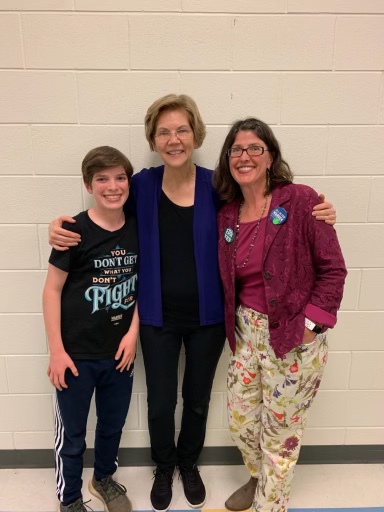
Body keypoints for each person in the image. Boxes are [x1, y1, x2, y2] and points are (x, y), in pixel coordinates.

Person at [48, 95, 336, 512]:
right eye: (164, 131)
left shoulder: (217, 186)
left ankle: (189, 463)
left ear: (195, 135)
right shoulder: (142, 185)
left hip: (208, 318)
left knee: (197, 398)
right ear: (153, 139)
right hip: (156, 318)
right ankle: (164, 467)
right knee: (161, 401)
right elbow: (103, 210)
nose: (174, 138)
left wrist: (320, 211)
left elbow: (266, 207)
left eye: (181, 129)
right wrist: (60, 226)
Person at [214, 118, 347, 512]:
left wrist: (311, 326)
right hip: (246, 335)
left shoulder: (302, 200)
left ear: (270, 156)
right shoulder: (227, 214)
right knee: (241, 423)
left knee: (280, 436)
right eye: (236, 149)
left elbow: (333, 270)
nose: (245, 156)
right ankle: (258, 480)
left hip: (293, 335)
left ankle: (270, 505)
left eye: (255, 148)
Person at [43, 146, 139, 512]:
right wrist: (57, 350)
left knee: (112, 426)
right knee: (73, 436)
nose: (112, 186)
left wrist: (133, 333)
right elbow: (52, 290)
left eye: (119, 177)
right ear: (88, 185)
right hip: (76, 355)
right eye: (102, 179)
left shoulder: (137, 228)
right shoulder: (73, 231)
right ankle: (69, 500)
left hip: (119, 352)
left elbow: (142, 284)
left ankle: (103, 479)